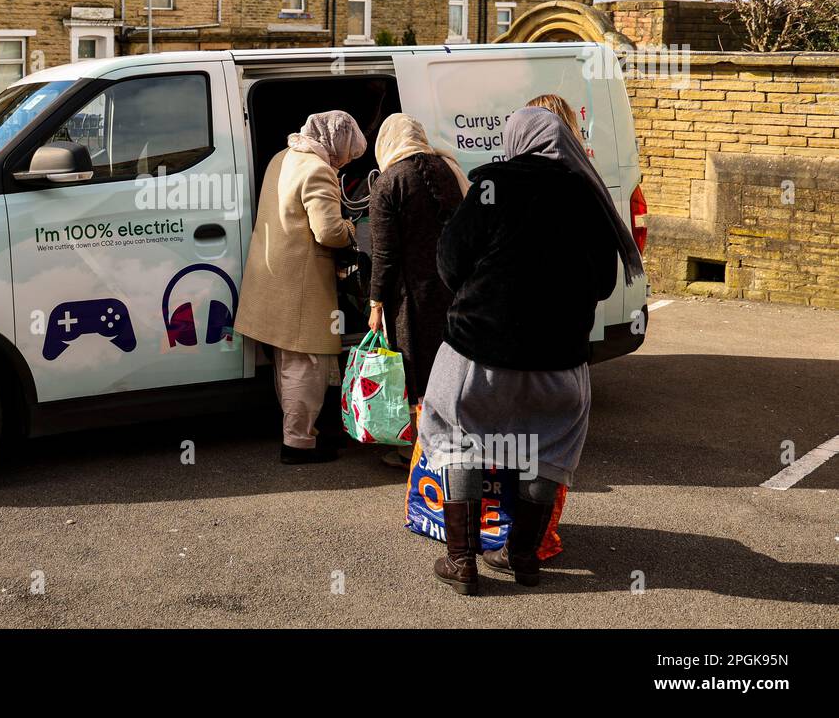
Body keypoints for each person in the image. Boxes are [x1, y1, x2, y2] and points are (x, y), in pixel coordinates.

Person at [420, 106, 643, 594]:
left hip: (479, 352)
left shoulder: (491, 186)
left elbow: (450, 262)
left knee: (460, 439)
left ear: (516, 140)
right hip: (559, 359)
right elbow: (604, 283)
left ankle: (462, 561)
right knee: (550, 449)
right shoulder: (587, 195)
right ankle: (523, 557)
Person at [235, 110, 367, 464]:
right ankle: (298, 444)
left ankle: (303, 434)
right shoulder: (317, 170)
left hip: (273, 274)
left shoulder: (283, 157)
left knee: (286, 361)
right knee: (306, 364)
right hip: (301, 283)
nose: (344, 162)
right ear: (334, 143)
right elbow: (329, 232)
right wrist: (354, 228)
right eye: (346, 153)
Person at [366, 114, 469, 469]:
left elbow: (385, 255)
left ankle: (416, 451)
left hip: (411, 297)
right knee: (449, 365)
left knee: (413, 370)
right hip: (454, 289)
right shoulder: (450, 169)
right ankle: (454, 441)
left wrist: (376, 302)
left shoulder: (388, 182)